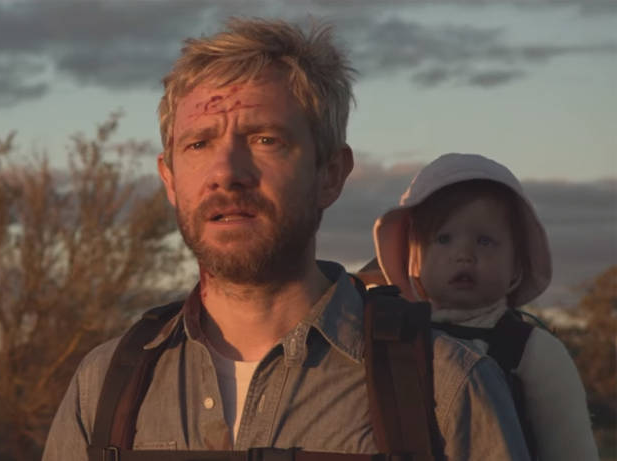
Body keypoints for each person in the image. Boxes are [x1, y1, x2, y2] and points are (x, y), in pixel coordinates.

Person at [43, 19, 530, 460]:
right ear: (169, 179)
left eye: (265, 140)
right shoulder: (103, 385)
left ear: (330, 173)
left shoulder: (444, 385)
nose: (226, 173)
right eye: (199, 143)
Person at [373, 152, 599, 460]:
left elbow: (572, 451)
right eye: (443, 239)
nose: (464, 254)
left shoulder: (533, 352)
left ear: (516, 265)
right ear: (415, 257)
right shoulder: (397, 341)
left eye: (484, 241)